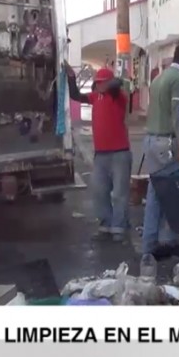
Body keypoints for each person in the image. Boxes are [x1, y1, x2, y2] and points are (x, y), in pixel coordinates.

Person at [141, 43, 179, 259]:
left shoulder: (159, 78)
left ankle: (154, 243)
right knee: (170, 194)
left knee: (157, 192)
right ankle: (161, 243)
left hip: (151, 140)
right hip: (166, 143)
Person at [66, 65, 131, 242]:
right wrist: (71, 77)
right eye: (97, 83)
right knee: (100, 191)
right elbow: (76, 96)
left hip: (120, 153)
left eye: (102, 83)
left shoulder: (119, 97)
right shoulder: (96, 97)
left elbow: (120, 83)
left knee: (119, 193)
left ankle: (119, 226)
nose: (99, 85)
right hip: (101, 154)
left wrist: (109, 81)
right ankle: (106, 222)